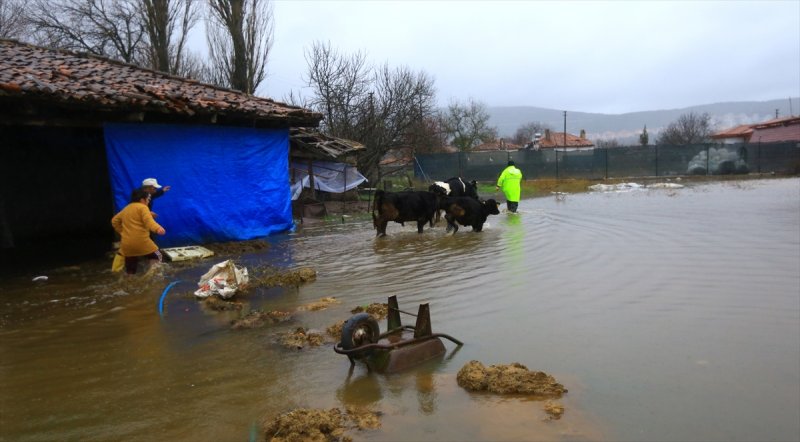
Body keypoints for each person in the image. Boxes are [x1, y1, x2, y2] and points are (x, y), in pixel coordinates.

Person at [111, 189, 166, 275]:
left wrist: (122, 232)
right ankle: (152, 275)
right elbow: (149, 222)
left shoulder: (127, 208)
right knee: (158, 255)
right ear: (142, 200)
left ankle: (129, 279)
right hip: (142, 242)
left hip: (127, 244)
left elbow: (114, 221)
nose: (148, 201)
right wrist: (157, 228)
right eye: (148, 199)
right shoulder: (143, 207)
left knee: (131, 268)